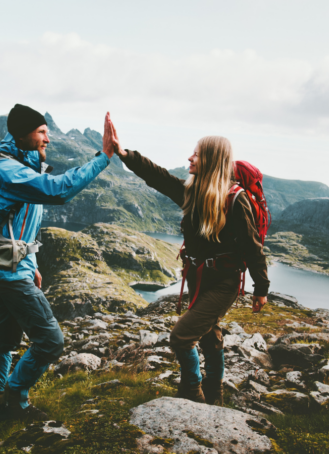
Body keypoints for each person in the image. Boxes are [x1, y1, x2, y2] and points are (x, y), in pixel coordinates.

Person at [103, 114, 269, 405]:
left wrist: (261, 289)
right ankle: (215, 395)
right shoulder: (192, 193)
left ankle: (192, 390)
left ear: (213, 161)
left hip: (222, 283)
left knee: (181, 337)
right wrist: (123, 153)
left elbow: (252, 247)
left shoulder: (236, 200)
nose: (190, 158)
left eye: (197, 154)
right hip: (197, 277)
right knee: (208, 336)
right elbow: (158, 176)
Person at [0, 105, 115, 422]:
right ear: (21, 134)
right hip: (10, 273)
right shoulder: (7, 170)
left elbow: (22, 224)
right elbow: (59, 190)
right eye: (41, 132)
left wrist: (33, 262)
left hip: (12, 267)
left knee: (4, 340)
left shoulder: (22, 166)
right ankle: (15, 398)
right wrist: (104, 156)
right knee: (51, 342)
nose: (47, 138)